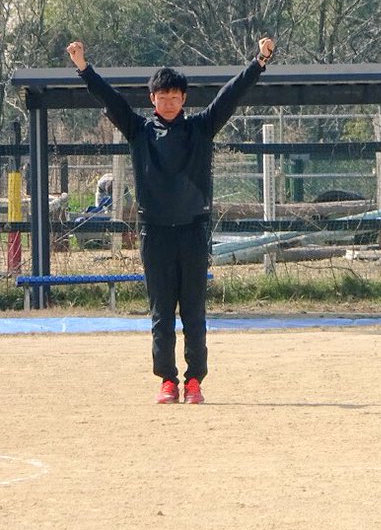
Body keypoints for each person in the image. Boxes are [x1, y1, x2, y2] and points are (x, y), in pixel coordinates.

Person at [66, 37, 277, 404]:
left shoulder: (201, 127)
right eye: (162, 96)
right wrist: (83, 67)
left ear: (184, 99)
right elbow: (110, 100)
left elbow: (231, 95)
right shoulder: (139, 131)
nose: (168, 101)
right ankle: (167, 380)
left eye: (175, 96)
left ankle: (195, 380)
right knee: (161, 313)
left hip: (194, 231)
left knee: (194, 311)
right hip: (155, 233)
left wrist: (259, 61)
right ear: (153, 99)